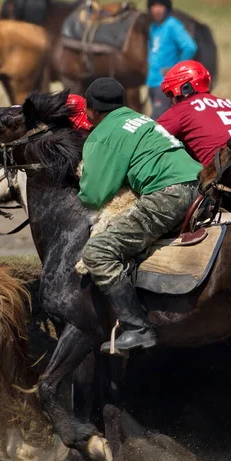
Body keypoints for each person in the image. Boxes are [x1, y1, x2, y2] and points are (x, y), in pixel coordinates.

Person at [78, 77, 202, 354]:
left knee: (98, 252)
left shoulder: (103, 133)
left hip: (169, 195)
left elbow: (94, 195)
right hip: (201, 187)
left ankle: (137, 328)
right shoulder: (141, 119)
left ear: (92, 110)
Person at [158, 60, 231, 166]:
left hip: (225, 176)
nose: (171, 101)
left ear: (185, 88)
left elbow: (145, 139)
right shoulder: (228, 103)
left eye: (171, 94)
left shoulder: (182, 109)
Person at [146, 0, 197, 120]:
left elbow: (189, 47)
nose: (156, 10)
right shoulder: (154, 27)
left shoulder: (173, 25)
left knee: (159, 120)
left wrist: (176, 69)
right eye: (154, 6)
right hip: (153, 81)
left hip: (166, 83)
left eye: (160, 6)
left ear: (167, 8)